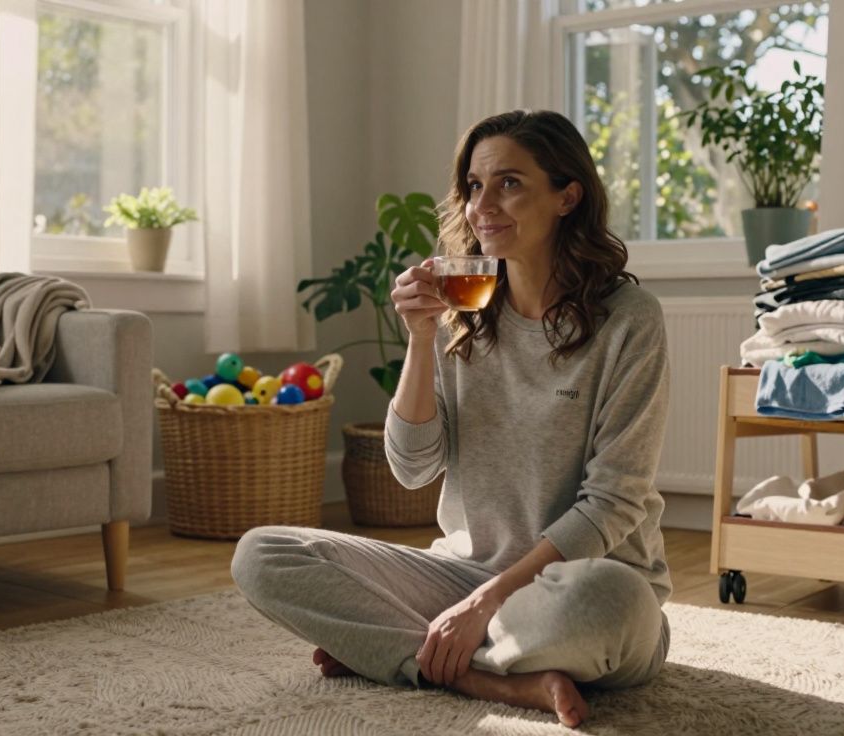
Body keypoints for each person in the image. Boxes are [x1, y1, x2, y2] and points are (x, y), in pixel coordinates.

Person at [231, 109, 671, 729]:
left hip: (573, 587)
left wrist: (486, 601)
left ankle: (400, 650)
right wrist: (418, 337)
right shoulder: (461, 306)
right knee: (261, 553)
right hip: (460, 576)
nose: (481, 205)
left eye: (509, 183)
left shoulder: (629, 319)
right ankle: (484, 676)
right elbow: (411, 469)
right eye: (472, 185)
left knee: (608, 604)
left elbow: (615, 503)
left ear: (567, 195)